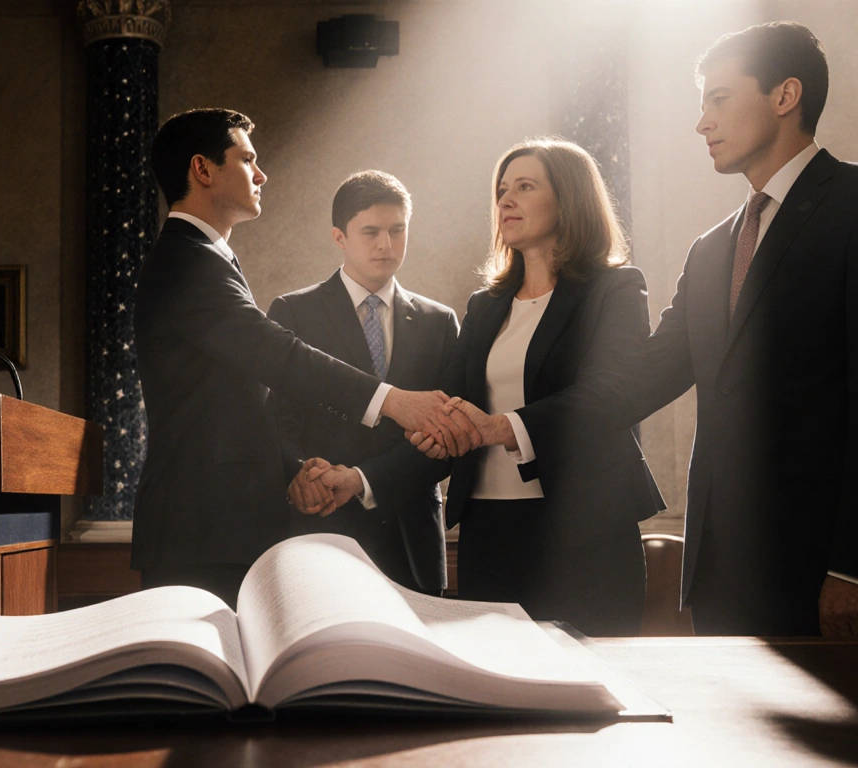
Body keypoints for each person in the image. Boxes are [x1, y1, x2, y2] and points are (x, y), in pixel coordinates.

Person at [509, 23, 858, 637]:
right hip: (725, 576)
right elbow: (647, 375)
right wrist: (517, 423)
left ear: (785, 96)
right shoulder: (711, 250)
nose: (702, 122)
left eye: (718, 99)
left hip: (834, 576)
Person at [133, 109, 478, 608]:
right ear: (203, 170)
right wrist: (393, 401)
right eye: (246, 159)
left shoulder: (204, 257)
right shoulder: (187, 260)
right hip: (202, 524)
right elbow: (279, 356)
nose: (261, 173)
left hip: (222, 525)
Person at [411, 138, 664, 636]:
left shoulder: (615, 289)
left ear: (570, 199)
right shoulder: (485, 305)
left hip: (584, 530)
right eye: (502, 190)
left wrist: (501, 427)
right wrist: (367, 474)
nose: (505, 200)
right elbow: (452, 408)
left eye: (525, 186)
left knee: (594, 691)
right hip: (487, 531)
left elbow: (610, 393)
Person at [268, 171, 457, 595]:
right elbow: (276, 420)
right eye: (371, 232)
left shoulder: (439, 322)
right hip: (321, 532)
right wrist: (299, 473)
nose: (386, 244)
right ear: (339, 236)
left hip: (412, 540)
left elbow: (447, 443)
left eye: (397, 230)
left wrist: (362, 479)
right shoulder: (293, 313)